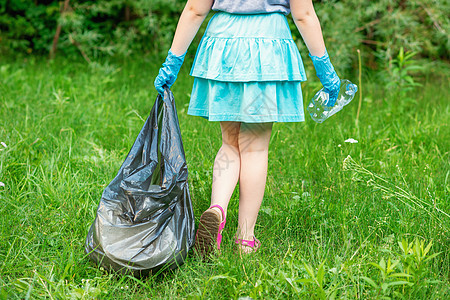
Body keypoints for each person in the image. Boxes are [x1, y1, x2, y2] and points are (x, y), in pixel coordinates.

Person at [154, 0, 340, 257]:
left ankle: (217, 209)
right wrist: (325, 68)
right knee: (254, 147)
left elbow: (195, 10)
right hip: (267, 48)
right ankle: (244, 238)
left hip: (223, 46)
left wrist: (172, 61)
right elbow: (304, 15)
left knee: (229, 142)